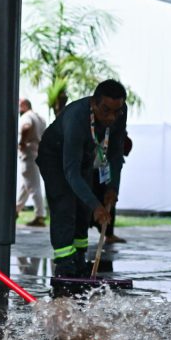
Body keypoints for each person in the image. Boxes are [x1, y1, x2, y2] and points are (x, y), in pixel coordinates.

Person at [38, 80, 127, 278]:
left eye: (116, 111)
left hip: (84, 157)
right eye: (106, 111)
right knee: (65, 205)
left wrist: (113, 188)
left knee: (83, 208)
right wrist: (97, 206)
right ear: (93, 104)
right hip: (54, 157)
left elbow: (115, 152)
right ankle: (64, 264)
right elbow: (70, 172)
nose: (112, 117)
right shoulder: (76, 117)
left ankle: (79, 260)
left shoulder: (119, 112)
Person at [16, 98, 47, 227]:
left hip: (28, 153)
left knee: (33, 186)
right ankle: (15, 210)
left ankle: (40, 215)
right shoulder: (39, 118)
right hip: (37, 152)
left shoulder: (27, 117)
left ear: (23, 106)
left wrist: (22, 141)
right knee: (26, 185)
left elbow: (26, 127)